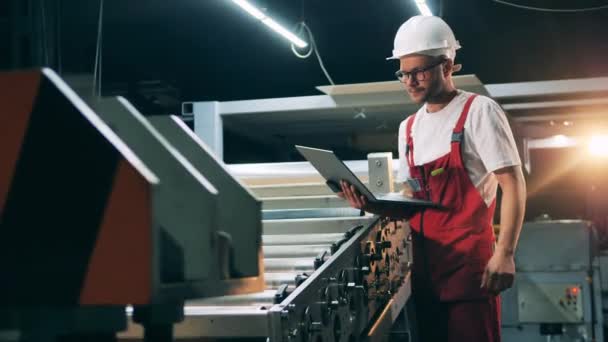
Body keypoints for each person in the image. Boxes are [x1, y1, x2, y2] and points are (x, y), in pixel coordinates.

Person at [338, 15, 526, 342]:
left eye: (420, 71)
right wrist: (372, 204)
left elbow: (513, 183)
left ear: (448, 65)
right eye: (403, 73)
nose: (410, 81)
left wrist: (506, 252)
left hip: (470, 273)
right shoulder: (408, 128)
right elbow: (412, 197)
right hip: (424, 275)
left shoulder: (478, 111)